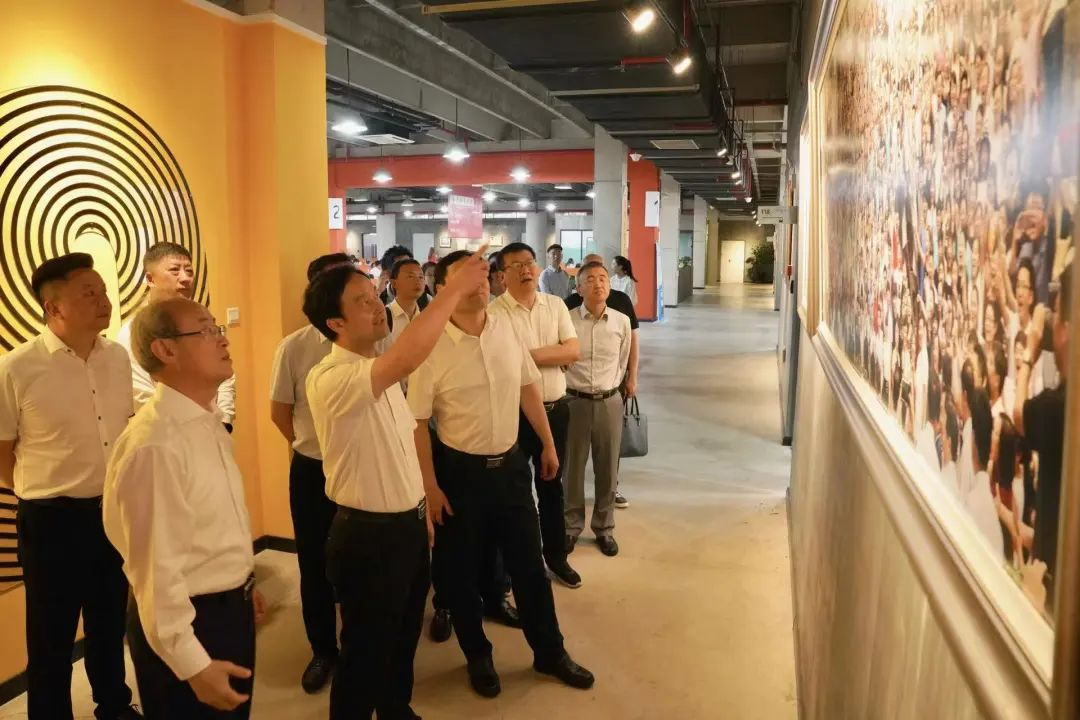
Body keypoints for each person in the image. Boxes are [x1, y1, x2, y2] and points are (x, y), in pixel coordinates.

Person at [304, 248, 489, 719]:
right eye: (362, 302)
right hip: (367, 536)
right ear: (335, 323)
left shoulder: (379, 371)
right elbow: (408, 357)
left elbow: (403, 449)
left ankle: (395, 710)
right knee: (365, 652)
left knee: (403, 639)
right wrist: (453, 290)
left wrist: (419, 511)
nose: (376, 306)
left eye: (374, 296)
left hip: (405, 527)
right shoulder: (332, 377)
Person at [409, 251, 594, 698]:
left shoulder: (507, 326)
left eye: (482, 274)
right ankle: (478, 656)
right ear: (442, 287)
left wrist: (547, 442)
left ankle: (549, 651)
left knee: (529, 567)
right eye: (465, 276)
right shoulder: (430, 345)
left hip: (510, 468)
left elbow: (528, 386)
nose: (479, 282)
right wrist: (429, 486)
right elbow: (417, 423)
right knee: (462, 573)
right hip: (459, 475)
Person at [104, 297, 261, 719]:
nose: (222, 339)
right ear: (166, 350)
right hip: (189, 623)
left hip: (226, 606)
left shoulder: (206, 421)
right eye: (206, 330)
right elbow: (154, 573)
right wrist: (193, 665)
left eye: (217, 327)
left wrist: (242, 582)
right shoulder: (156, 444)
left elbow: (214, 525)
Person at [0, 254, 140, 720]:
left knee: (108, 622)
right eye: (89, 293)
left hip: (110, 510)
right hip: (50, 521)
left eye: (103, 291)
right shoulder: (17, 367)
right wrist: (40, 491)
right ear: (53, 307)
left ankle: (113, 705)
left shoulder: (117, 357)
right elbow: (3, 450)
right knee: (51, 637)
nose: (104, 300)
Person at [268, 253, 354, 693]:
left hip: (359, 469)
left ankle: (358, 648)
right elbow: (279, 412)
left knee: (360, 562)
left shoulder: (373, 343)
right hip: (313, 470)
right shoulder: (294, 347)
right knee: (314, 563)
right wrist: (310, 446)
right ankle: (323, 649)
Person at [491, 242, 582, 588]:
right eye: (516, 265)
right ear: (502, 275)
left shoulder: (555, 305)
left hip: (556, 410)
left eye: (529, 262)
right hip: (513, 415)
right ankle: (515, 565)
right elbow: (501, 364)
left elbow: (573, 350)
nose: (526, 269)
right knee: (514, 494)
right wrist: (553, 355)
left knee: (552, 487)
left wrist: (524, 356)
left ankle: (556, 557)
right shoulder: (494, 313)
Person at [116, 242, 236, 431]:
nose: (185, 278)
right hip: (167, 430)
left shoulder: (200, 319)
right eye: (174, 270)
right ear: (150, 279)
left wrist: (224, 420)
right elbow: (143, 395)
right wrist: (190, 426)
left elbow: (222, 369)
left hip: (213, 426)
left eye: (189, 271)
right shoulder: (132, 333)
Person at [563, 262, 632, 557]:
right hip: (573, 402)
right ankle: (571, 527)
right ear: (579, 289)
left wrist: (620, 385)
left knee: (608, 468)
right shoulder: (566, 320)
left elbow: (623, 359)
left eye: (603, 278)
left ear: (610, 285)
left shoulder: (621, 322)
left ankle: (604, 528)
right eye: (590, 279)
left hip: (609, 401)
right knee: (572, 470)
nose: (598, 283)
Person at [1014, 261, 1071, 611]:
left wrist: (1029, 351)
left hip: (1050, 597)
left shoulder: (1060, 407)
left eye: (1058, 316)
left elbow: (1020, 415)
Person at [382, 258, 431, 349]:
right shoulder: (384, 317)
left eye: (421, 277)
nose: (417, 281)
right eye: (410, 276)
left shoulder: (426, 316)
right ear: (394, 283)